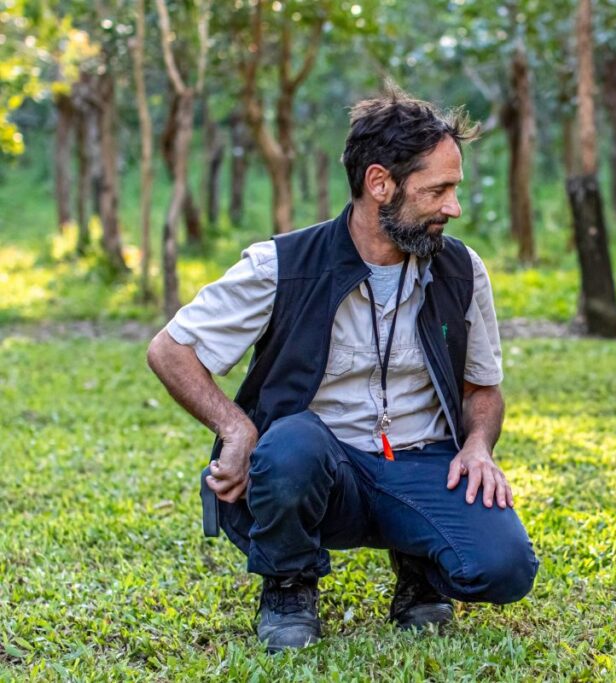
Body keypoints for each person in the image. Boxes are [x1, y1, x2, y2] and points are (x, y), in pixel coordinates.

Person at [146, 88, 538, 653]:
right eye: (438, 190)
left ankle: (421, 568)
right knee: (289, 447)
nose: (453, 207)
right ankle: (288, 585)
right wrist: (236, 429)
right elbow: (169, 349)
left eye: (454, 189)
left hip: (422, 460)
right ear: (380, 184)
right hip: (317, 466)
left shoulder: (462, 269)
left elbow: (482, 387)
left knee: (504, 569)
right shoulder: (280, 264)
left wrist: (478, 445)